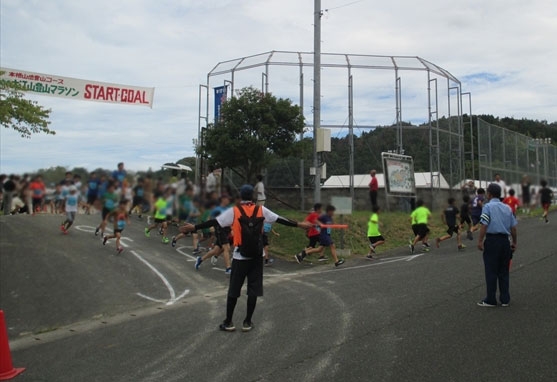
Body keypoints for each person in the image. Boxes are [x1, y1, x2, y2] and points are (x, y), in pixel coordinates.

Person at [181, 184, 312, 332]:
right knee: (253, 289)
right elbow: (280, 219)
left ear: (240, 197)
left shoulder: (235, 211)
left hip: (239, 256)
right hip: (257, 255)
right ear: (253, 197)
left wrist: (195, 228)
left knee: (234, 289)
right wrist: (300, 224)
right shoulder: (261, 210)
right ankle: (247, 322)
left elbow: (215, 222)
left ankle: (229, 322)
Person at [476, 183, 517, 307]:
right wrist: (514, 242)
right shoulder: (507, 208)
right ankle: (505, 299)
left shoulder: (487, 207)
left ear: (489, 194)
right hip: (505, 241)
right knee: (504, 271)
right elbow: (513, 228)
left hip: (492, 241)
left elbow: (484, 224)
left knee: (491, 270)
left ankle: (491, 299)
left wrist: (480, 240)